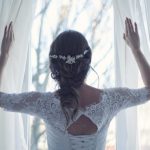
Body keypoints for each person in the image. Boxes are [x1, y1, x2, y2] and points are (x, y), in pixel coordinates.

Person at [0, 18, 150, 150]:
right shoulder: (110, 100)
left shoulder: (43, 103)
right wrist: (136, 50)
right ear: (87, 61)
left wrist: (4, 55)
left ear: (54, 65)